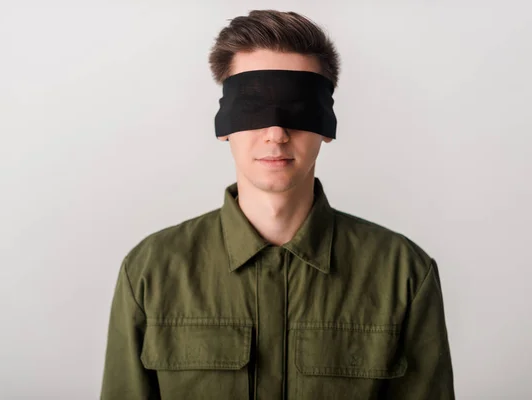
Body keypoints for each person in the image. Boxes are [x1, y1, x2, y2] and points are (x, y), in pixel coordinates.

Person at [100, 9, 455, 400]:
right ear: (224, 126)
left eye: (298, 108)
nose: (276, 133)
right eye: (252, 105)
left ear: (327, 126)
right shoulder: (150, 272)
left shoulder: (404, 274)